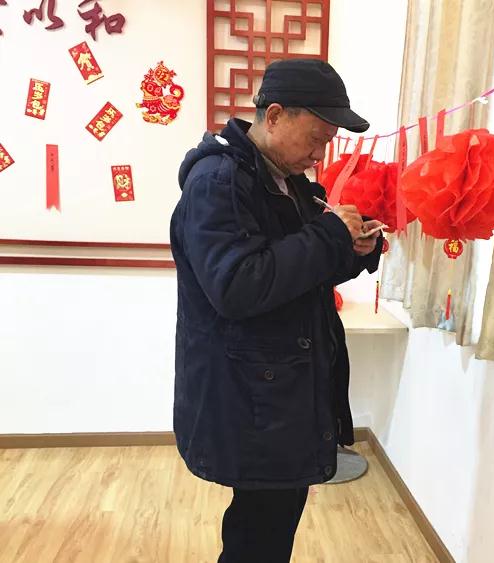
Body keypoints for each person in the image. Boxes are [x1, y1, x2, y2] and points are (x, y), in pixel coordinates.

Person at [170, 59, 384, 563]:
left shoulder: (285, 180)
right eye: (316, 138)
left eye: (327, 141)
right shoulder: (219, 182)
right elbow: (237, 286)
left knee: (271, 520)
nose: (319, 154)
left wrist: (355, 249)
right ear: (275, 116)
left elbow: (297, 274)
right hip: (251, 396)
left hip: (277, 392)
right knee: (259, 531)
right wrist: (329, 235)